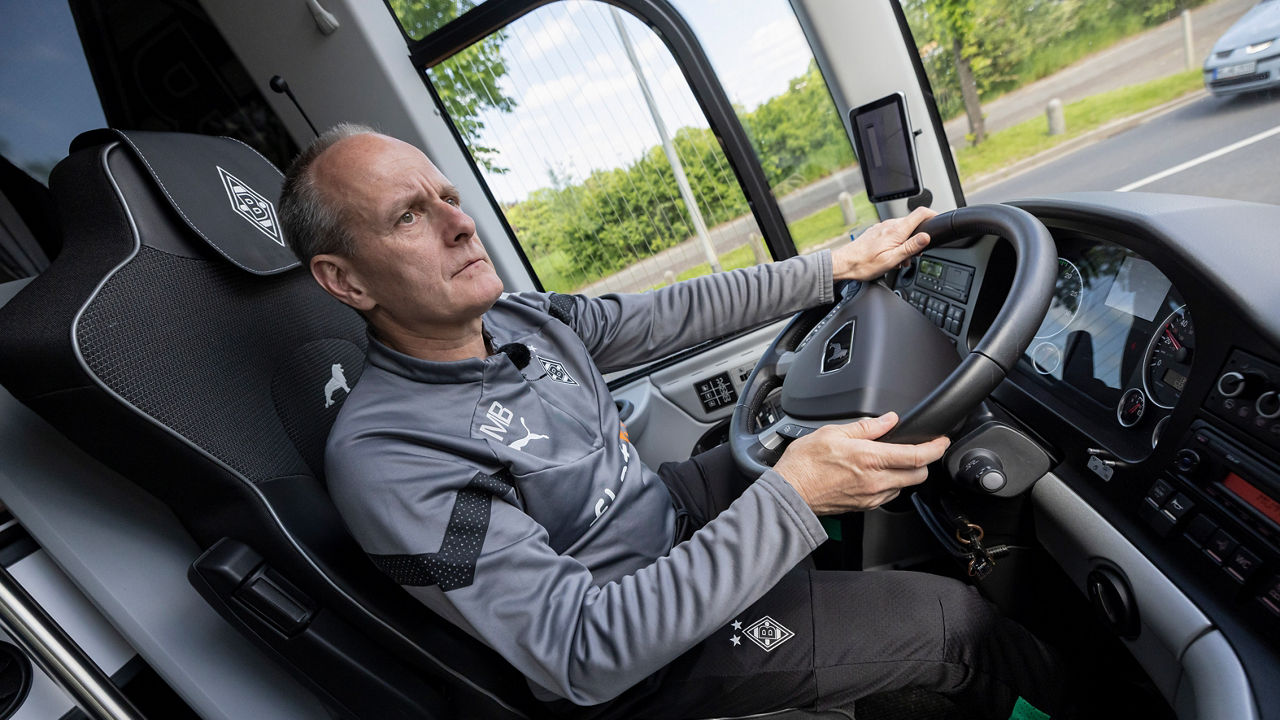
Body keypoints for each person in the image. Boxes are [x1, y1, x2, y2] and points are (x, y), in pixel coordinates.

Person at [278, 124, 1069, 719]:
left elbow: (668, 314)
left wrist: (835, 266)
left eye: (449, 196)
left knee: (832, 438)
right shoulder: (389, 455)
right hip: (645, 658)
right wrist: (793, 497)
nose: (460, 224)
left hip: (666, 522)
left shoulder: (521, 320)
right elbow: (581, 653)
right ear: (345, 280)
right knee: (955, 626)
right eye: (410, 216)